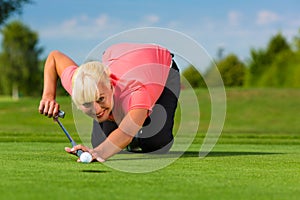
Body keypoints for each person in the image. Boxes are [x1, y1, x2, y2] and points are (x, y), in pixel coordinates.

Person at [38, 43, 180, 162]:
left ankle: (139, 137)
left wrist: (98, 153)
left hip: (163, 71)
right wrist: (48, 96)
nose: (97, 109)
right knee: (101, 142)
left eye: (100, 99)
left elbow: (125, 133)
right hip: (120, 61)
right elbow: (54, 57)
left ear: (110, 86)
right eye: (87, 103)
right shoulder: (79, 84)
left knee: (156, 144)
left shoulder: (136, 90)